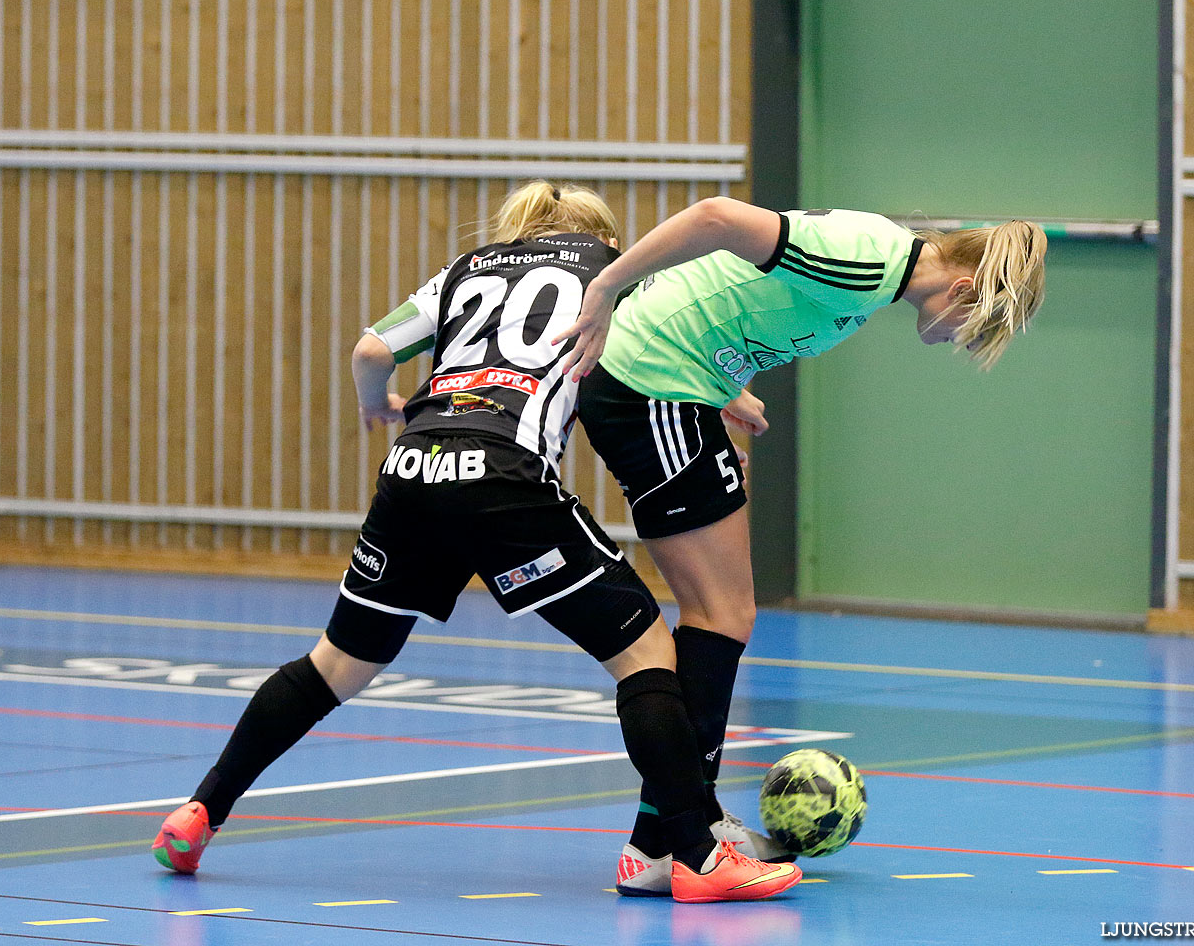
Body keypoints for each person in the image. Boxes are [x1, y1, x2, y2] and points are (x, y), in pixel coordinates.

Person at [150, 181, 802, 904]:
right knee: (648, 653)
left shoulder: (469, 268)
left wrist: (378, 406)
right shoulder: (613, 271)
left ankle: (201, 809)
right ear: (608, 237)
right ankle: (695, 854)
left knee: (337, 662)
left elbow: (371, 349)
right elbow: (661, 361)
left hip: (413, 469)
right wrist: (723, 396)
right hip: (504, 480)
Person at [553, 198, 1048, 887]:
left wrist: (725, 387)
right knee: (721, 613)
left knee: (721, 614)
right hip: (650, 384)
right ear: (962, 288)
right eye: (978, 324)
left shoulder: (877, 274)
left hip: (675, 385)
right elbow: (717, 220)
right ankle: (673, 842)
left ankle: (676, 828)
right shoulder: (863, 258)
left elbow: (738, 293)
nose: (967, 341)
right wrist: (606, 288)